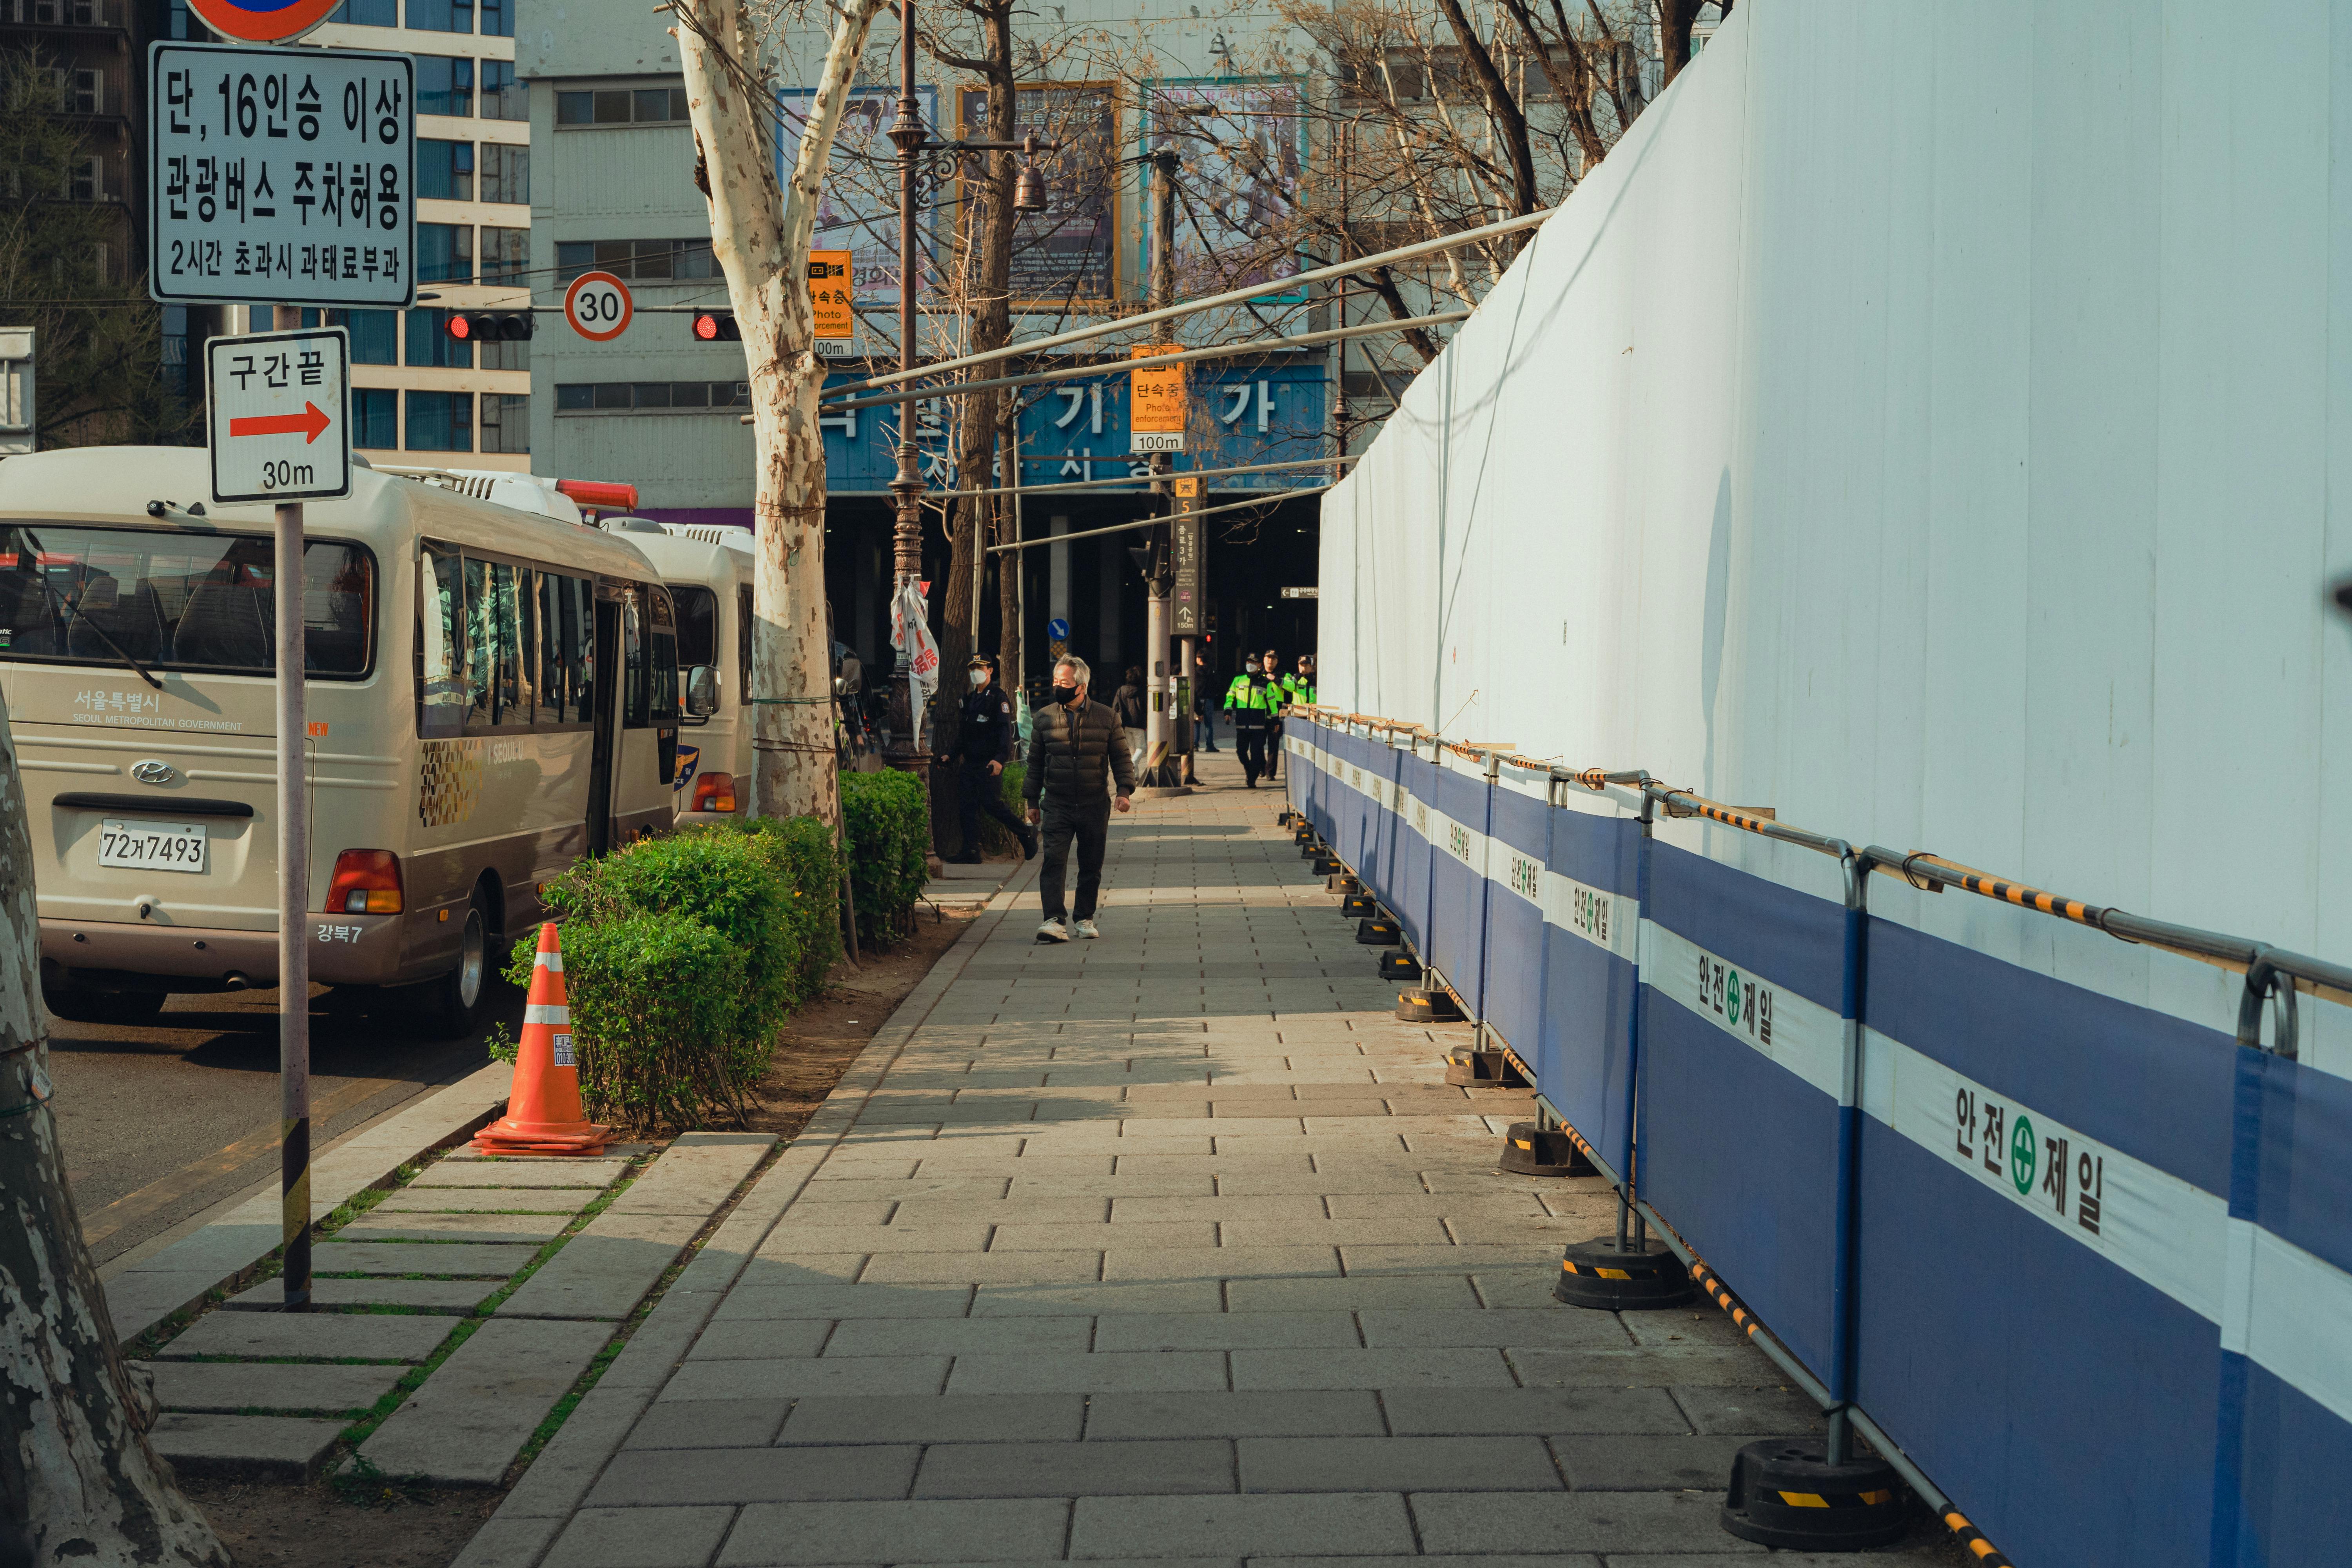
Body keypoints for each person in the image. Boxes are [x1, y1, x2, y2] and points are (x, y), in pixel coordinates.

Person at [1023, 655, 1134, 941]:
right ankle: (1053, 921)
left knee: (1091, 864)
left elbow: (1122, 757)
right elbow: (1035, 763)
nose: (1058, 687)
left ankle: (1084, 918)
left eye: (1065, 683)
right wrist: (1032, 801)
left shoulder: (1107, 717)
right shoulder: (1044, 717)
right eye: (1056, 682)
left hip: (1094, 802)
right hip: (1057, 803)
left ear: (1081, 686)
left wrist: (1124, 792)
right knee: (1053, 860)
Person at [949, 654, 1036, 864]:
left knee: (992, 805)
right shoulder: (969, 699)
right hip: (970, 763)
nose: (975, 672)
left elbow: (1005, 733)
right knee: (967, 807)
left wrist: (999, 759)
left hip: (989, 764)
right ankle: (971, 851)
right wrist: (950, 756)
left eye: (980, 667)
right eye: (973, 668)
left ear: (990, 671)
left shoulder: (998, 697)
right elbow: (964, 735)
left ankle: (1026, 834)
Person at [1223, 653, 1278, 788]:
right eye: (1248, 662)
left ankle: (1252, 780)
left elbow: (1272, 703)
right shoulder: (1238, 680)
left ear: (1259, 665)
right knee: (1241, 751)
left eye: (1253, 662)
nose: (1250, 665)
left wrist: (1275, 721)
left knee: (1256, 754)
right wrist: (1228, 711)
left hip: (1259, 725)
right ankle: (1249, 769)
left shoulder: (1266, 683)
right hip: (1242, 724)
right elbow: (1230, 696)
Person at [1110, 664, 1149, 780]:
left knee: (1132, 749)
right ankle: (1133, 764)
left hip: (1125, 724)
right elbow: (1146, 708)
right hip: (1139, 724)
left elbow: (1115, 707)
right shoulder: (1142, 691)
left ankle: (1135, 775)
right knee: (1141, 748)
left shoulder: (1121, 690)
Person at [1260, 648, 1284, 783]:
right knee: (1258, 745)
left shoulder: (1283, 675)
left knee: (1274, 745)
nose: (1270, 661)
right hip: (1261, 715)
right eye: (1268, 658)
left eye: (1273, 659)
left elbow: (1292, 686)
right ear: (1264, 660)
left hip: (1276, 717)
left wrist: (1276, 680)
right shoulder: (1257, 674)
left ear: (1277, 662)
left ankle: (1270, 773)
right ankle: (1262, 767)